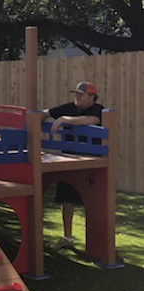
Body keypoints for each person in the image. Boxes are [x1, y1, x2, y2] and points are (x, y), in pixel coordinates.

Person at [41, 81, 104, 251]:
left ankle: (99, 244)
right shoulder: (69, 107)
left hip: (90, 162)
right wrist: (36, 122)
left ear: (92, 97)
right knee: (66, 199)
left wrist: (64, 119)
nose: (77, 96)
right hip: (68, 159)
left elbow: (91, 120)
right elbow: (46, 112)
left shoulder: (98, 109)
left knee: (93, 201)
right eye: (76, 93)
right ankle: (67, 238)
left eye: (81, 94)